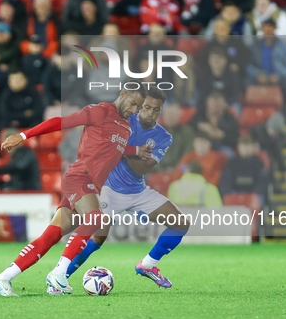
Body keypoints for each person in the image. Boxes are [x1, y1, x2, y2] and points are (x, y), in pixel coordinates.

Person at [0, 87, 152, 296]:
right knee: (95, 219)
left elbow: (113, 148)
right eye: (132, 103)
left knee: (51, 236)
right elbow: (60, 122)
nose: (134, 109)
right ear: (122, 95)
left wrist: (136, 151)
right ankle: (59, 274)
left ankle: (3, 279)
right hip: (80, 178)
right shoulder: (100, 111)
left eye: (138, 107)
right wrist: (23, 135)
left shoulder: (125, 127)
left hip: (90, 185)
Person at [48, 89, 190, 292]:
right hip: (109, 189)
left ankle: (147, 265)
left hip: (138, 190)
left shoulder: (163, 136)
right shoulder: (123, 119)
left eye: (156, 110)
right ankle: (58, 278)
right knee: (97, 238)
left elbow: (142, 168)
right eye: (147, 107)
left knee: (180, 223)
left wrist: (121, 145)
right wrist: (132, 149)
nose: (150, 113)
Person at [246, 19, 286, 106]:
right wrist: (257, 74)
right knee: (245, 82)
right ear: (262, 29)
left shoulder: (283, 45)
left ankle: (283, 110)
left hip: (278, 78)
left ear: (275, 28)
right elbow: (248, 65)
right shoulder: (254, 46)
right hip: (260, 77)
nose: (268, 30)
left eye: (270, 27)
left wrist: (279, 76)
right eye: (265, 27)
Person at [219, 135, 268, 204]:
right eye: (243, 145)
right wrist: (228, 192)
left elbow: (262, 182)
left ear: (252, 147)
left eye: (248, 145)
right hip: (235, 193)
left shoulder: (258, 163)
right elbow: (226, 180)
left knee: (259, 199)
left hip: (252, 194)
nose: (245, 148)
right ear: (238, 147)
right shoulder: (231, 163)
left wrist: (254, 194)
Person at [153, 103, 194, 173]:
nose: (170, 118)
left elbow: (187, 153)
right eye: (168, 115)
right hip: (157, 171)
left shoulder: (187, 132)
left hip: (179, 170)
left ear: (179, 116)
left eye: (173, 115)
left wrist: (175, 168)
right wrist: (160, 169)